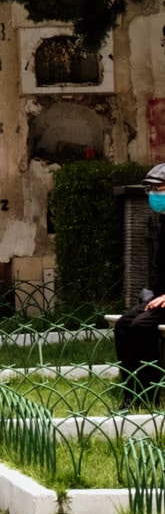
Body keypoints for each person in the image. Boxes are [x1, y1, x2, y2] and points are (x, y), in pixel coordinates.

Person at [115, 164, 165, 403]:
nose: (154, 194)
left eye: (159, 188)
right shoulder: (163, 222)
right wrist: (153, 293)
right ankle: (131, 393)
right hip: (161, 297)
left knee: (141, 326)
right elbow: (159, 267)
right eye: (151, 189)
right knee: (124, 324)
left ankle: (150, 394)